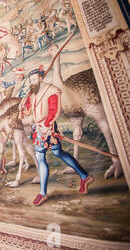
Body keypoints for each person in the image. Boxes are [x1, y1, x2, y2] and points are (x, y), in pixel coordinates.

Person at [20, 66, 93, 206]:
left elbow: (54, 111)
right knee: (57, 152)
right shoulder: (32, 93)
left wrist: (47, 127)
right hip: (38, 129)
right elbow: (30, 112)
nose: (32, 82)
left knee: (42, 156)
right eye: (31, 80)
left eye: (34, 79)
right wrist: (23, 107)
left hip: (47, 128)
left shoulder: (51, 90)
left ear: (41, 78)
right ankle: (85, 176)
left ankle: (42, 193)